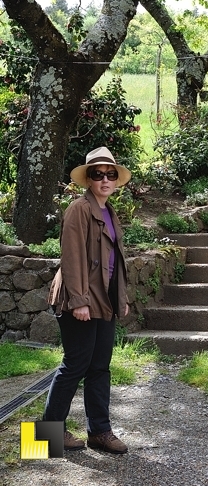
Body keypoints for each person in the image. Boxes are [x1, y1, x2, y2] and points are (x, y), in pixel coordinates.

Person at [43, 146, 132, 454]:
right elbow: (72, 257)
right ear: (89, 180)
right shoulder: (79, 209)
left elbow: (115, 260)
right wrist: (79, 300)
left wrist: (122, 296)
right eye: (98, 174)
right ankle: (45, 438)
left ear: (117, 180)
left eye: (110, 174)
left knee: (99, 366)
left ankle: (100, 432)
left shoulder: (109, 211)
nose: (105, 180)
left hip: (103, 300)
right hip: (79, 299)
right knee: (75, 364)